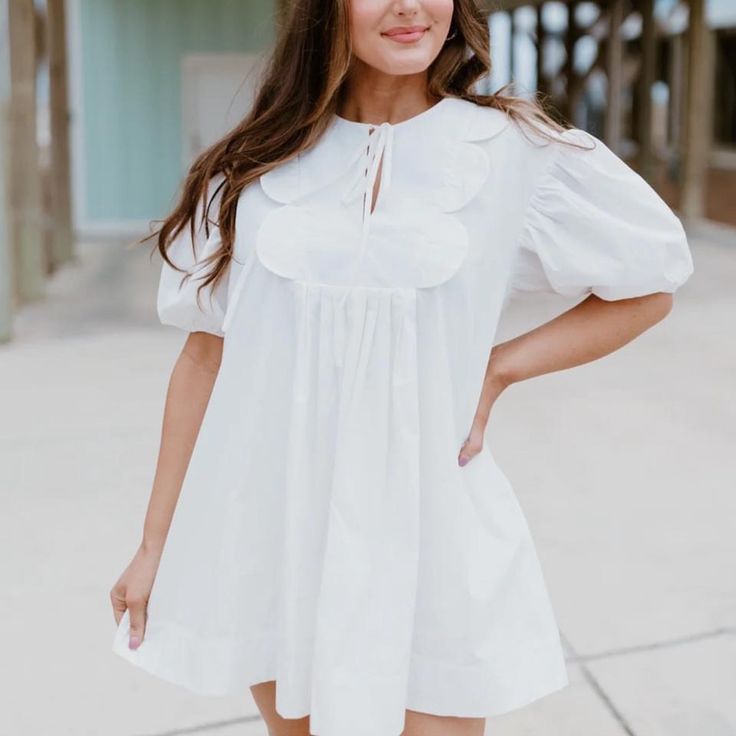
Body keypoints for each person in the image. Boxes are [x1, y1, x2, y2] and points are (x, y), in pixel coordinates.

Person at [109, 1, 694, 735]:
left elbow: (649, 282)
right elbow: (203, 355)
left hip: (432, 529)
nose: (411, 6)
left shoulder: (516, 152)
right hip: (279, 527)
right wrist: (155, 545)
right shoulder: (253, 165)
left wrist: (498, 370)